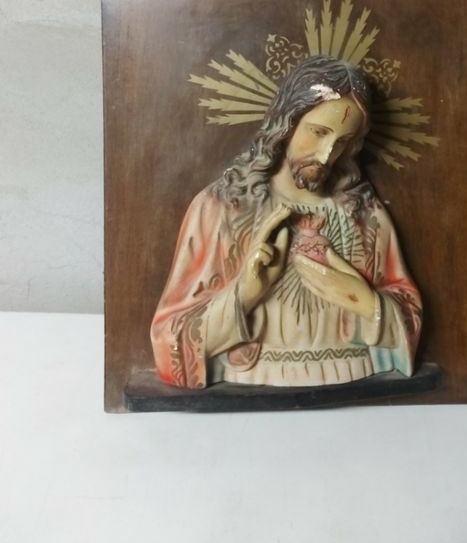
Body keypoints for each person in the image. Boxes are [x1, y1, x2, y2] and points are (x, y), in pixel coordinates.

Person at [150, 55, 422, 388]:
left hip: (353, 376)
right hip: (254, 382)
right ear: (286, 122)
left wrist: (367, 303)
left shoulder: (366, 214)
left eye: (342, 141)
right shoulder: (222, 208)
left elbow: (410, 312)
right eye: (318, 132)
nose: (327, 154)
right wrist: (244, 294)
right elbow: (168, 338)